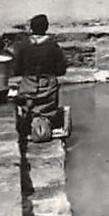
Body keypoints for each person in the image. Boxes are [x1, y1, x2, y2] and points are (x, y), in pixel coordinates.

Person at [13, 13, 68, 142]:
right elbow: (61, 69)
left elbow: (16, 69)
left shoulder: (23, 45)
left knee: (25, 105)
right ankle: (45, 120)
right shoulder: (52, 46)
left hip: (28, 86)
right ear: (46, 28)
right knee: (48, 108)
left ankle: (28, 120)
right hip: (48, 87)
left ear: (31, 28)